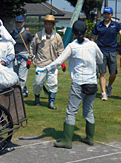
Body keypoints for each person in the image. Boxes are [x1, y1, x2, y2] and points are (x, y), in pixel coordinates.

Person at [40, 20, 103, 149]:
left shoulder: (72, 46)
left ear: (73, 33)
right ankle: (90, 138)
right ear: (86, 32)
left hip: (78, 83)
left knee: (71, 112)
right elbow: (101, 59)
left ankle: (67, 141)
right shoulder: (92, 45)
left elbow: (58, 62)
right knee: (88, 111)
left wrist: (45, 68)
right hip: (92, 83)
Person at [28, 15, 65, 110]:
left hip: (53, 63)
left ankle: (51, 102)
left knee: (53, 83)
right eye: (46, 24)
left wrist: (62, 62)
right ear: (44, 24)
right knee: (38, 83)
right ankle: (37, 97)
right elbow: (32, 47)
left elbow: (61, 50)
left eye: (50, 24)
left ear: (53, 25)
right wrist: (30, 58)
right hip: (41, 63)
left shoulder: (57, 37)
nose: (48, 26)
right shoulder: (38, 35)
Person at [91, 7, 121, 101]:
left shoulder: (116, 25)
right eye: (105, 14)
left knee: (113, 74)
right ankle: (104, 93)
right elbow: (93, 38)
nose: (106, 15)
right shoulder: (98, 25)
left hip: (112, 51)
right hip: (101, 51)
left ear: (111, 15)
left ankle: (109, 86)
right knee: (102, 73)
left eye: (108, 14)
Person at [10, 16, 33, 97]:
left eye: (20, 22)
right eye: (17, 22)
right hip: (15, 57)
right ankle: (24, 91)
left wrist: (31, 55)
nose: (18, 24)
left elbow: (32, 44)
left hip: (24, 57)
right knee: (16, 76)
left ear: (23, 23)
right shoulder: (12, 34)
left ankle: (18, 94)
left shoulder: (27, 34)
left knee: (22, 76)